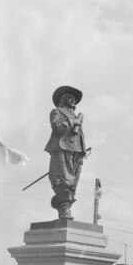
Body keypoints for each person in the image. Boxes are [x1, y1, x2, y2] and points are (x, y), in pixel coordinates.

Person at [45, 85, 87, 220]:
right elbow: (59, 129)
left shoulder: (76, 116)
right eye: (70, 97)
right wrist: (74, 122)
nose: (73, 100)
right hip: (62, 149)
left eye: (74, 98)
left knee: (74, 182)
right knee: (63, 179)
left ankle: (68, 205)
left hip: (77, 151)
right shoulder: (56, 112)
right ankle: (64, 209)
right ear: (62, 100)